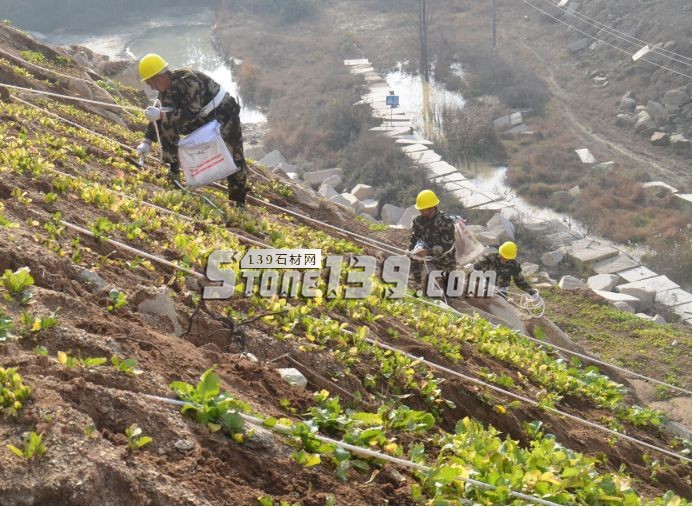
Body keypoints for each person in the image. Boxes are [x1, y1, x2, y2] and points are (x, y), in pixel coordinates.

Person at [135, 53, 249, 207]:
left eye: (151, 83)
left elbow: (190, 113)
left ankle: (238, 200)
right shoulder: (165, 91)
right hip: (202, 116)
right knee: (166, 120)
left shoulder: (189, 81)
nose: (152, 87)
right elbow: (160, 118)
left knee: (232, 154)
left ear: (159, 77)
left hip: (223, 113)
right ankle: (173, 169)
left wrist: (161, 114)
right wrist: (147, 141)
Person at [465, 241, 539, 300]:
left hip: (501, 291)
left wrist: (532, 292)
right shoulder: (490, 257)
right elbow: (477, 266)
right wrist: (471, 267)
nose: (504, 259)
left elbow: (520, 281)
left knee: (500, 306)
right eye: (503, 256)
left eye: (507, 257)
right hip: (486, 286)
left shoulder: (514, 265)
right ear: (500, 252)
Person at [408, 190, 457, 276]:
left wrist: (427, 252)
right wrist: (411, 250)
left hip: (443, 259)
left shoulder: (446, 222)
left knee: (450, 283)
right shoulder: (418, 220)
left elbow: (446, 246)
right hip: (424, 255)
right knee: (409, 261)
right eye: (420, 208)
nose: (420, 210)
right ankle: (417, 283)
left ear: (431, 207)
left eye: (423, 208)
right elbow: (414, 238)